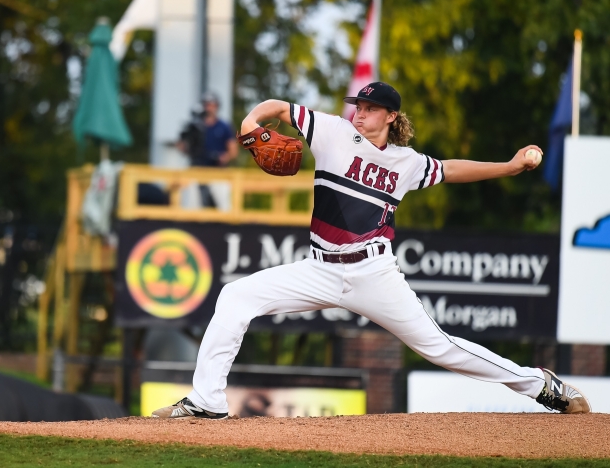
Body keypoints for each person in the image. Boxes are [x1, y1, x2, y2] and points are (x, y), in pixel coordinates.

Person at [153, 82, 591, 419]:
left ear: (390, 116)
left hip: (374, 274)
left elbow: (452, 169)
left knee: (440, 347)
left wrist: (510, 166)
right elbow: (279, 109)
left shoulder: (406, 162)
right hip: (320, 268)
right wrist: (251, 124)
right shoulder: (333, 132)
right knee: (235, 296)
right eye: (357, 107)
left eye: (369, 108)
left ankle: (541, 386)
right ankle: (207, 401)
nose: (359, 114)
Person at [178, 91, 238, 168]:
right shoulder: (194, 126)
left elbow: (233, 151)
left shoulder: (224, 127)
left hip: (217, 170)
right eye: (206, 105)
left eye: (212, 105)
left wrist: (224, 157)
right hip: (197, 167)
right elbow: (183, 148)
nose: (209, 108)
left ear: (217, 106)